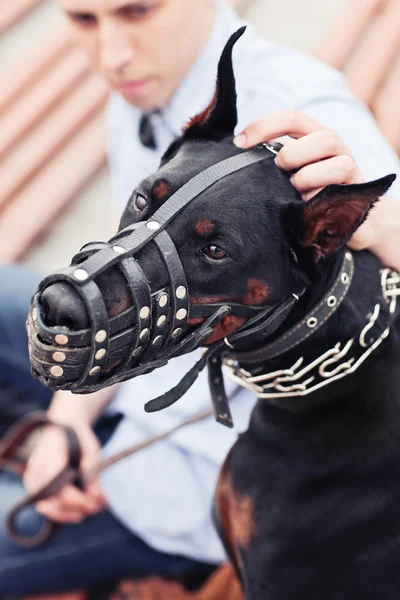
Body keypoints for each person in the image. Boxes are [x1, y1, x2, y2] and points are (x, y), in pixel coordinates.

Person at [1, 0, 400, 596]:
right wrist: (66, 421)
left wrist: (387, 228)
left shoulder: (311, 128)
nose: (111, 55)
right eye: (84, 19)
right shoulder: (146, 84)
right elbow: (132, 269)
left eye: (136, 11)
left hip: (179, 472)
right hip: (127, 370)